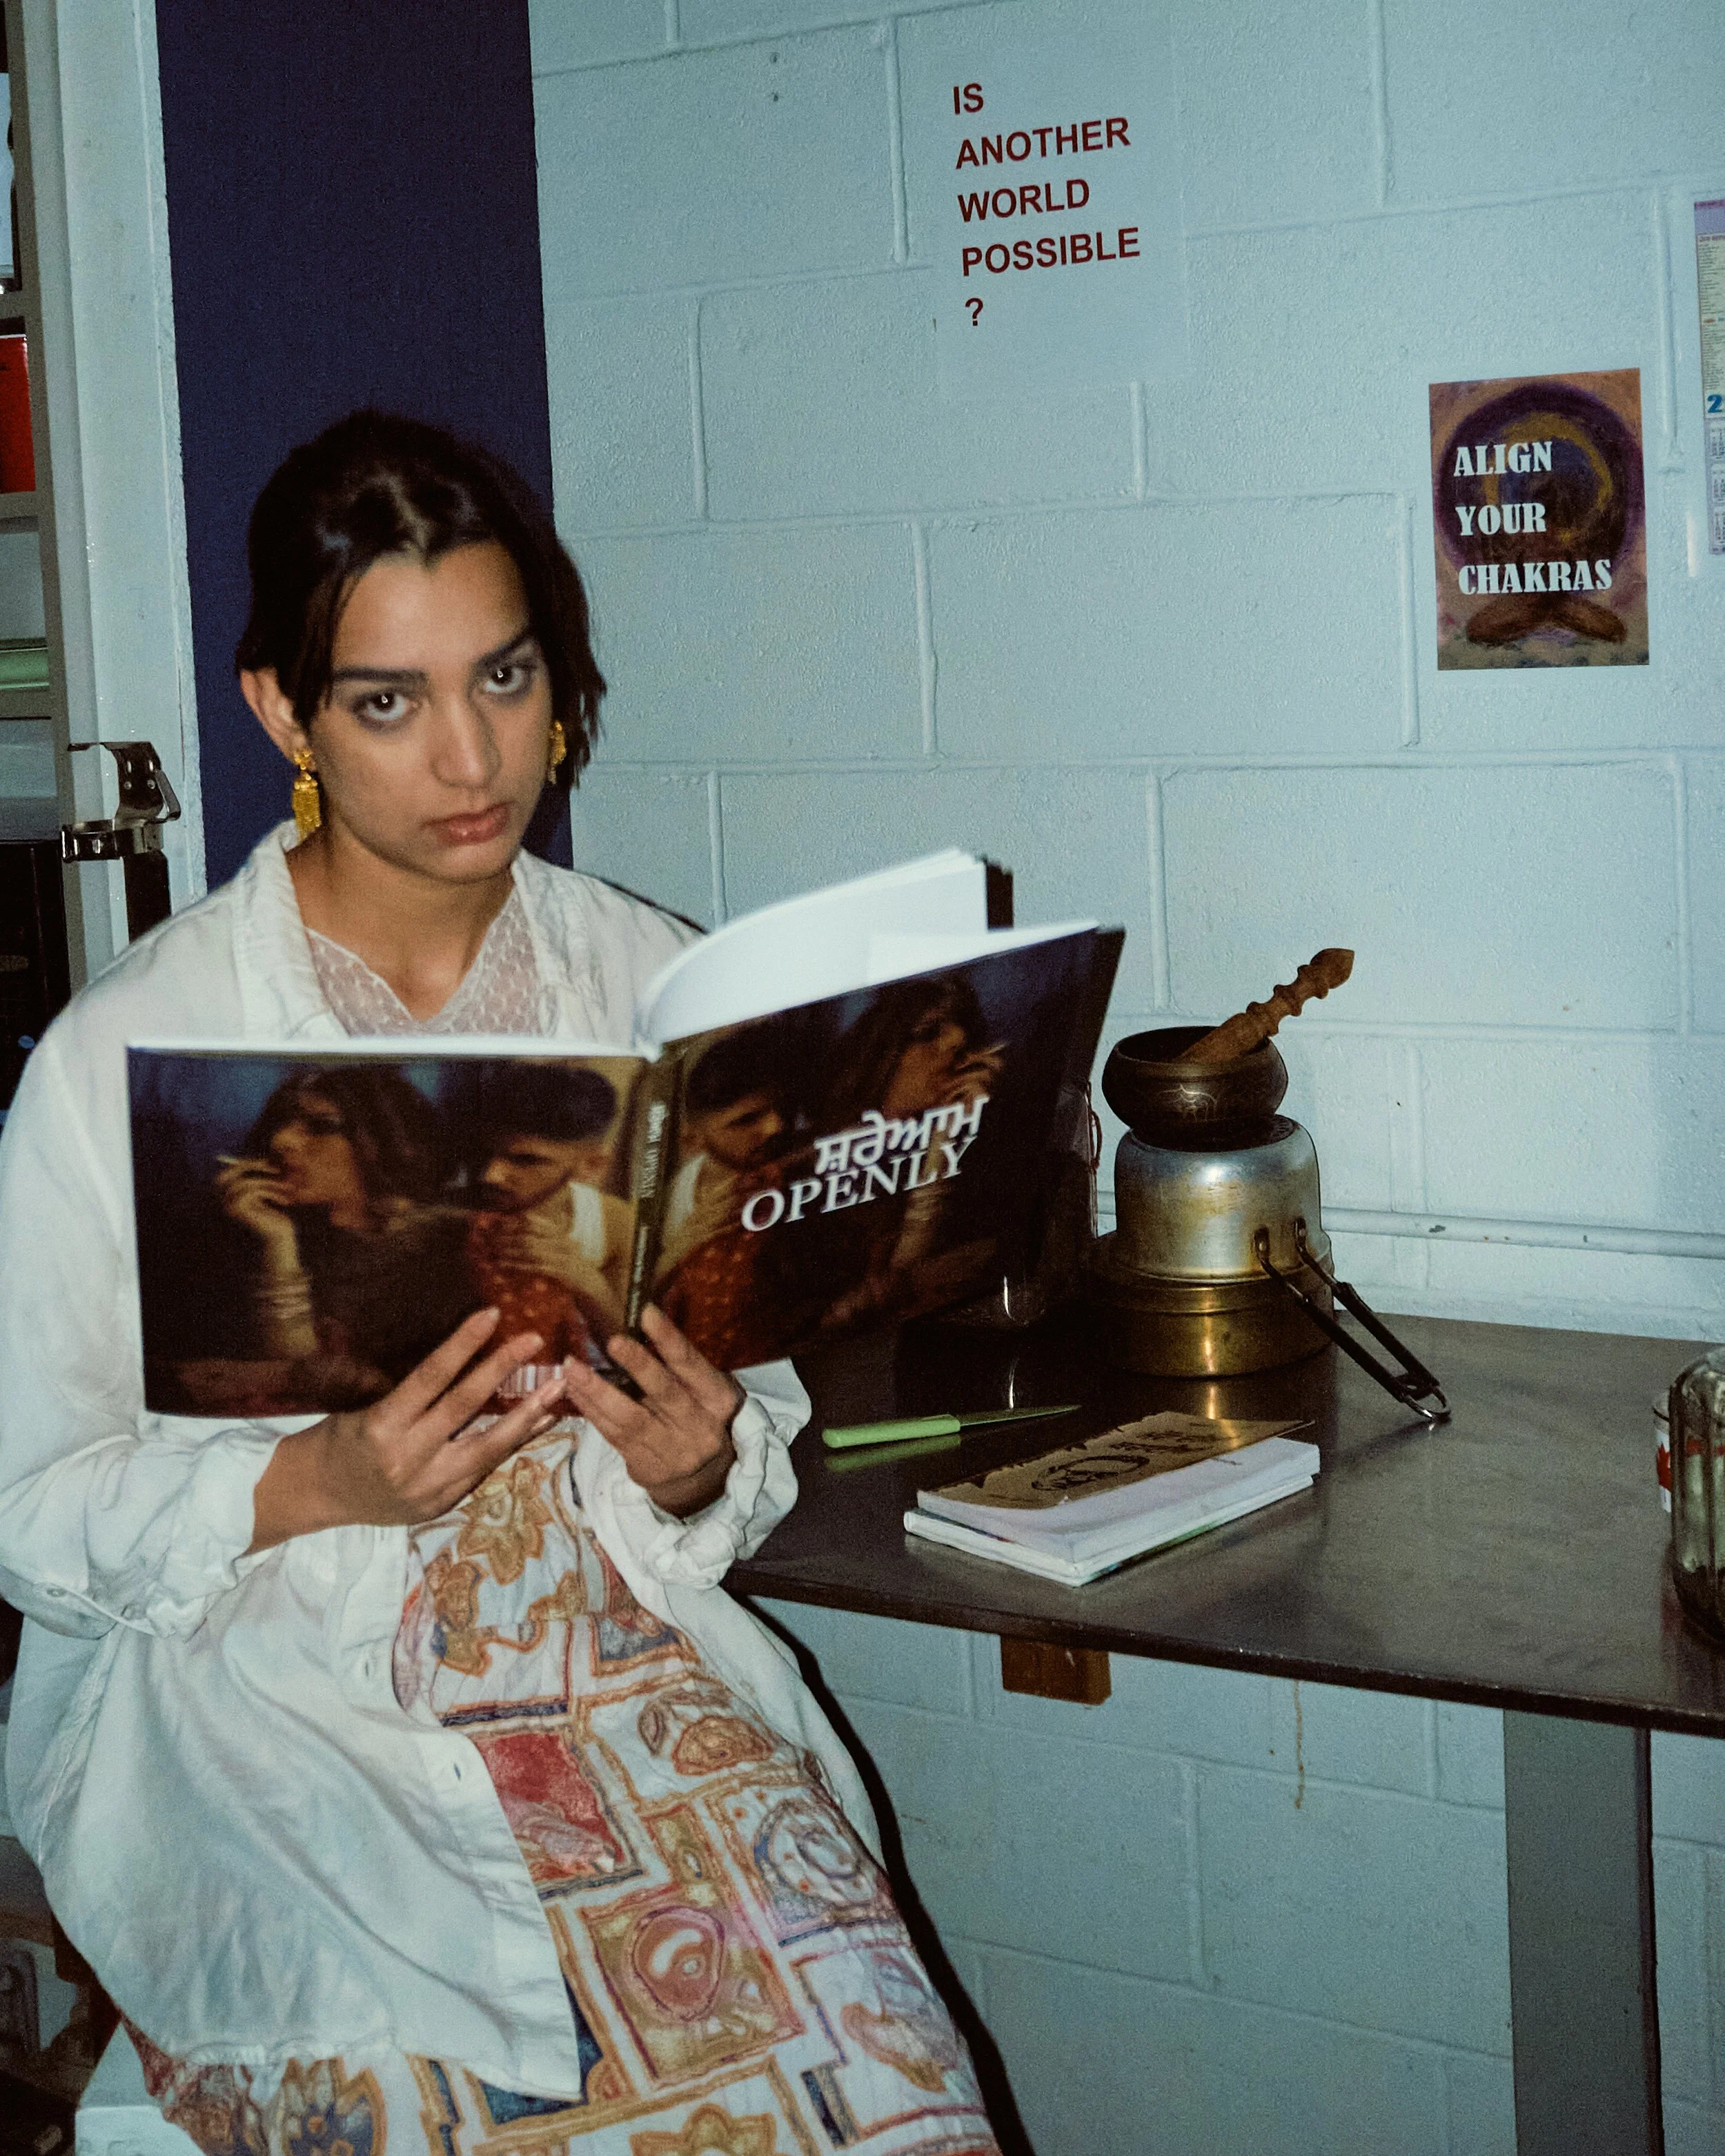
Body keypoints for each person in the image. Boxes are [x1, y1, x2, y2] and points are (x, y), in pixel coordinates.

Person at [0, 412, 1002, 2154]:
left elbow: (746, 1409)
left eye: (506, 676)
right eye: (387, 701)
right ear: (283, 713)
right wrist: (314, 1479)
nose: (471, 757)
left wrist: (696, 1460)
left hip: (623, 1662)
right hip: (281, 1706)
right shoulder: (123, 1051)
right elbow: (29, 1511)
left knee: (893, 2099)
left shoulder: (657, 982)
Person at [210, 1064, 473, 1407]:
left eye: (321, 1127)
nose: (281, 1141)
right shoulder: (278, 1232)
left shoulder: (452, 1244)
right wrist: (279, 1243)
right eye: (281, 1124)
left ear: (382, 1139)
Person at [464, 1059, 631, 1390]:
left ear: (592, 1165)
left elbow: (635, 1356)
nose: (491, 1175)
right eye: (486, 1153)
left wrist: (583, 1279)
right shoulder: (454, 1216)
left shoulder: (613, 1222)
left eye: (526, 1160)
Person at [655, 1021, 796, 1371]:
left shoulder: (785, 1176)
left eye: (778, 1109)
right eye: (746, 1120)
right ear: (693, 1140)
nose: (775, 1127)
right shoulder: (679, 1189)